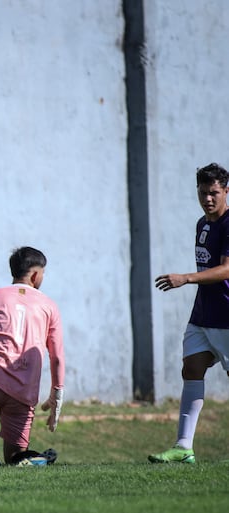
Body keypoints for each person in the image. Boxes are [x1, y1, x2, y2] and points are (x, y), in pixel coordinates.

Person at [148, 162, 229, 464]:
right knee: (191, 369)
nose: (208, 198)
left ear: (226, 192)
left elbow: (226, 269)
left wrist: (185, 278)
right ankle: (183, 447)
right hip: (203, 315)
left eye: (214, 193)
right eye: (203, 192)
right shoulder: (202, 224)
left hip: (225, 315)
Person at [0, 246, 64, 466]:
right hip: (24, 393)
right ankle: (38, 459)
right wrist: (57, 394)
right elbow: (56, 356)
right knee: (15, 460)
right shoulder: (49, 305)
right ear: (36, 275)